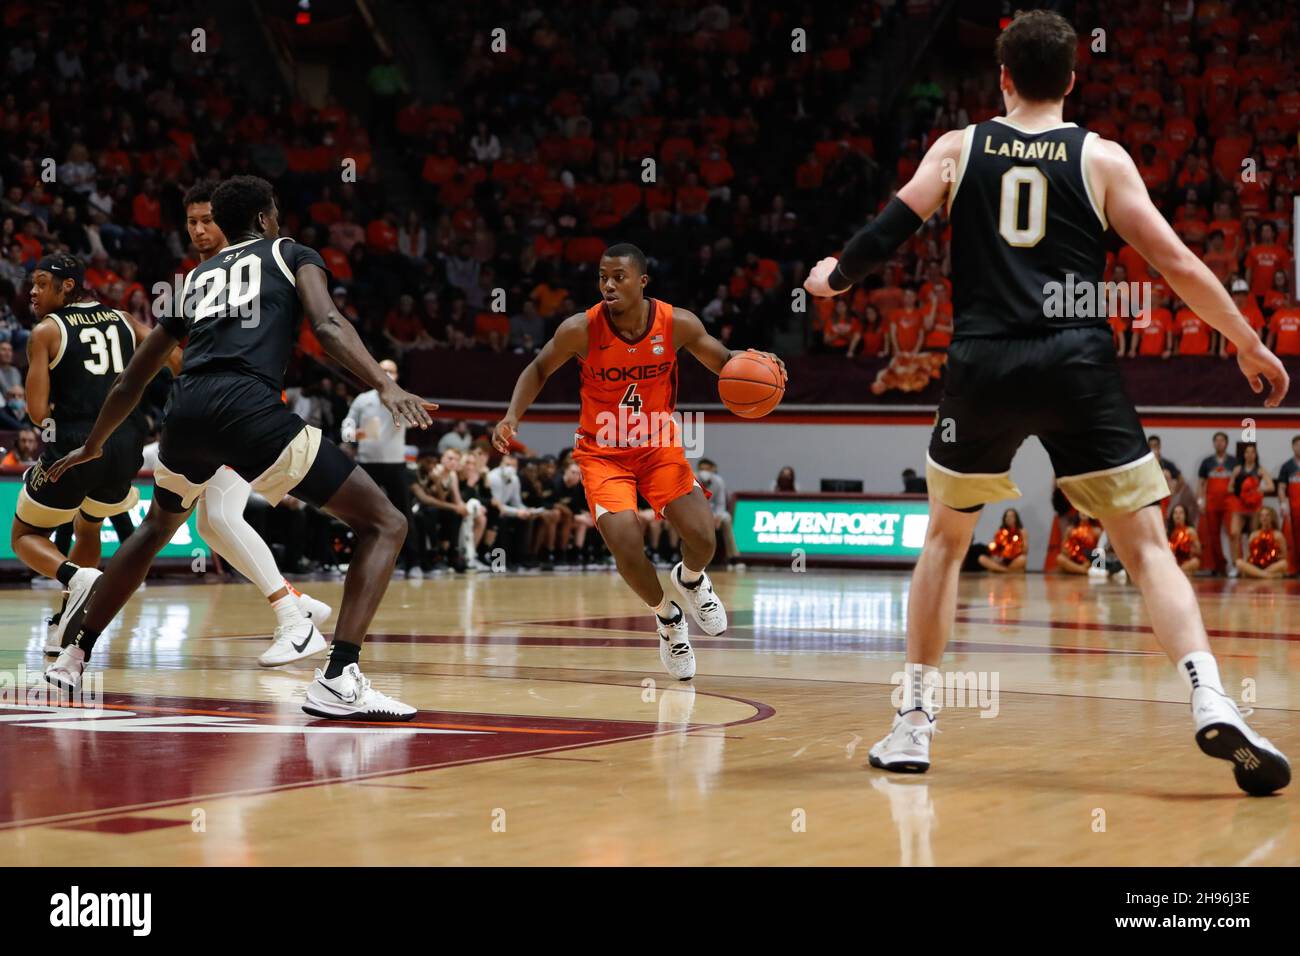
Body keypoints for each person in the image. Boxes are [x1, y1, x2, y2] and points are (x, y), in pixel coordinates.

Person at [805, 11, 1289, 793]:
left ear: (1003, 77)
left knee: (943, 545)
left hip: (983, 365)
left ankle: (913, 725)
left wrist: (834, 277)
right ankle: (1211, 697)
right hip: (1078, 364)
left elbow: (887, 231)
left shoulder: (959, 147)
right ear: (1071, 77)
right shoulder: (1100, 158)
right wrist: (1243, 338)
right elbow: (1171, 261)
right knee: (1148, 549)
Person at [44, 176, 437, 722]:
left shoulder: (198, 278)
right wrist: (384, 384)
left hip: (185, 415)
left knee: (156, 529)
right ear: (266, 219)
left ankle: (73, 654)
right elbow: (326, 323)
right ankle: (340, 676)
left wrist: (92, 445)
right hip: (247, 409)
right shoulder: (290, 252)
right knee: (386, 523)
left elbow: (131, 381)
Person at [493, 243, 783, 679]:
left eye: (618, 277)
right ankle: (668, 620)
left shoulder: (678, 323)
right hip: (602, 453)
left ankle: (690, 580)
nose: (608, 285)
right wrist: (512, 416)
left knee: (704, 537)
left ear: (642, 281)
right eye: (602, 277)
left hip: (658, 447)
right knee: (626, 543)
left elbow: (726, 364)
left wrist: (762, 368)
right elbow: (537, 368)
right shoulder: (581, 329)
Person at [177, 181, 333, 662]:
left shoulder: (263, 261)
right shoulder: (203, 274)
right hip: (213, 406)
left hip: (243, 408)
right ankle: (300, 603)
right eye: (192, 222)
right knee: (209, 523)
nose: (201, 230)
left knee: (221, 515)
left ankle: (292, 613)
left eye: (208, 219)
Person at [7, 255, 153, 655]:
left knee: (24, 535)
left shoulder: (46, 331)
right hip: (126, 441)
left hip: (75, 443)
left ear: (67, 286)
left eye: (40, 283)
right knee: (88, 526)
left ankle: (73, 576)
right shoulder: (123, 318)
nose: (32, 292)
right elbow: (173, 357)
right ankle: (65, 621)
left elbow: (37, 412)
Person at [345, 358, 419, 577]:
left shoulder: (401, 398)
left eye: (391, 371)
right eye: (383, 370)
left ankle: (412, 561)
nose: (387, 374)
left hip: (395, 465)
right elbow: (348, 423)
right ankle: (360, 561)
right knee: (363, 513)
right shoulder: (362, 399)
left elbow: (410, 421)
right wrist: (352, 433)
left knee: (403, 513)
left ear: (396, 375)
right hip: (367, 464)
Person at [1224, 442, 1273, 576]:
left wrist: (1257, 490)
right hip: (1240, 505)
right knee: (1234, 533)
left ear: (1255, 455)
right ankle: (1235, 564)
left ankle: (1252, 563)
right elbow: (1229, 487)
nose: (1250, 454)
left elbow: (1271, 486)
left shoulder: (1260, 470)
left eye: (1252, 452)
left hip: (1254, 507)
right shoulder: (1238, 470)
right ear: (1244, 455)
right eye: (1247, 452)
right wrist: (1241, 491)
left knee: (1253, 536)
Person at [1196, 432, 1236, 574]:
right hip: (1211, 503)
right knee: (1213, 535)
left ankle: (1235, 565)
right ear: (1213, 443)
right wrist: (1200, 500)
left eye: (1222, 441)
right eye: (1217, 441)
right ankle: (1219, 566)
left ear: (1226, 443)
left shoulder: (1234, 461)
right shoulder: (1207, 462)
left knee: (1232, 533)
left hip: (1229, 503)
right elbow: (1201, 483)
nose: (1219, 443)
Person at [696, 457, 743, 568]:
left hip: (714, 513)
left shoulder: (718, 481)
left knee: (726, 518)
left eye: (707, 469)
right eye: (702, 469)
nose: (704, 472)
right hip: (697, 514)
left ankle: (733, 557)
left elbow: (720, 503)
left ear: (713, 470)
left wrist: (718, 516)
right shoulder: (691, 480)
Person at [1235, 507, 1287, 579]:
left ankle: (1256, 574)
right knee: (1239, 562)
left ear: (1272, 518)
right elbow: (1248, 555)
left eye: (1267, 515)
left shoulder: (1278, 535)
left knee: (1284, 564)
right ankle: (1266, 575)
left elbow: (1284, 557)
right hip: (1255, 565)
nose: (1264, 518)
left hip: (1271, 566)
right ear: (1259, 518)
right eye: (1262, 515)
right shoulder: (1254, 534)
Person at [1276, 435, 1300, 574]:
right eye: (1297, 445)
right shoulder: (1287, 466)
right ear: (1292, 447)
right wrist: (1283, 504)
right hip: (1294, 508)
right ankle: (1295, 568)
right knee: (1295, 539)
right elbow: (1281, 488)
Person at [978, 508, 1027, 573]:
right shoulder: (999, 532)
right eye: (1007, 516)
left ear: (1016, 518)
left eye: (1011, 516)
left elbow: (1025, 551)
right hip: (1001, 559)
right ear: (1004, 518)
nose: (1009, 518)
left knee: (1023, 559)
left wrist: (1016, 547)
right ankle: (1007, 571)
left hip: (1014, 559)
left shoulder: (1022, 531)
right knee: (982, 558)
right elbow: (994, 549)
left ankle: (999, 570)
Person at [1167, 504, 1201, 575]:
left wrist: (1193, 548)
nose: (1178, 515)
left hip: (1186, 563)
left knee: (1195, 562)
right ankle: (1178, 572)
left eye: (1181, 513)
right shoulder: (1168, 531)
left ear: (1185, 516)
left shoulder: (1190, 531)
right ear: (1172, 516)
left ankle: (1177, 572)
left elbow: (1199, 551)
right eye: (1175, 513)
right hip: (1172, 561)